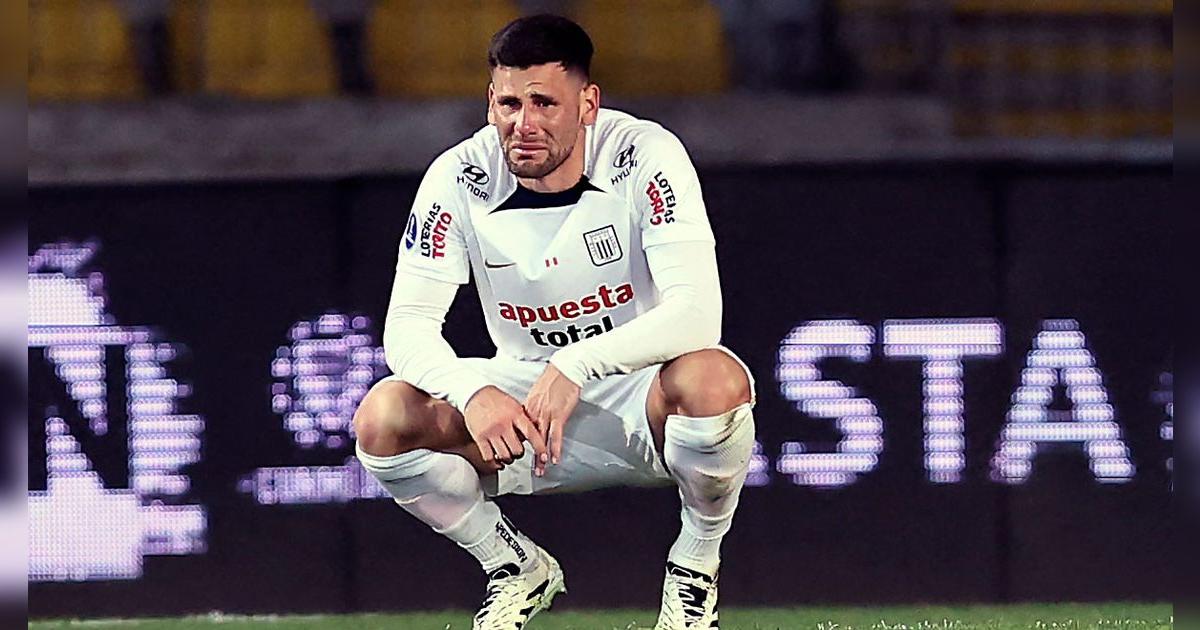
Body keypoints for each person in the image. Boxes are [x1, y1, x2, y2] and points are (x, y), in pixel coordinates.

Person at [353, 14, 756, 630]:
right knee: (383, 419)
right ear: (490, 102)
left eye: (544, 103)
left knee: (715, 381)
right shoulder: (458, 176)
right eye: (509, 103)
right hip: (525, 410)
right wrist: (474, 391)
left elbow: (699, 313)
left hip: (638, 394)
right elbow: (406, 326)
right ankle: (512, 566)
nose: (525, 124)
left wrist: (576, 364)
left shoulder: (644, 155)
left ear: (588, 103)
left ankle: (695, 567)